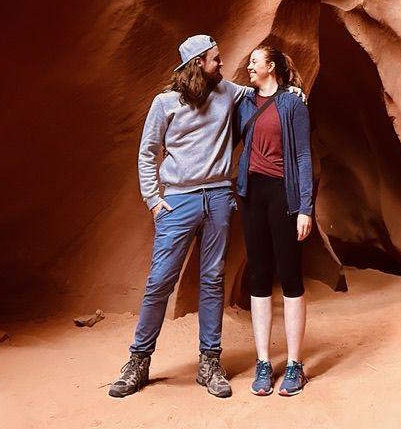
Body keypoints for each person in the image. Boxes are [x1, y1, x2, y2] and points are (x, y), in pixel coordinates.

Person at [108, 34, 305, 400]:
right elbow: (147, 152)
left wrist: (291, 91)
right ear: (199, 63)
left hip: (217, 199)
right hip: (178, 201)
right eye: (216, 59)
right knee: (160, 282)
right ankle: (138, 360)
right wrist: (153, 199)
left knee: (212, 280)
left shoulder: (227, 91)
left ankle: (210, 362)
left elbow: (265, 95)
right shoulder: (164, 103)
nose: (222, 64)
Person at [234, 45, 314, 397]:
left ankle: (295, 364)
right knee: (259, 274)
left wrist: (305, 208)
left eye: (255, 62)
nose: (249, 66)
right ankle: (264, 362)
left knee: (290, 274)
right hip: (252, 194)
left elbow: (303, 156)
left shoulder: (293, 103)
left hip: (284, 194)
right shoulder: (245, 102)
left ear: (272, 66)